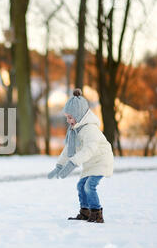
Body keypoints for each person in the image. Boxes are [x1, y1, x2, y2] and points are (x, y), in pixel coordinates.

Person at [47, 89, 114, 223]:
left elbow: (89, 150)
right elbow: (68, 149)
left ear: (79, 115)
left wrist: (73, 163)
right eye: (67, 117)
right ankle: (85, 212)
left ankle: (96, 213)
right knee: (80, 186)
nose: (68, 120)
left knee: (89, 186)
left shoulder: (90, 129)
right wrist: (59, 166)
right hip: (90, 163)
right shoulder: (74, 131)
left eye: (70, 117)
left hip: (101, 161)